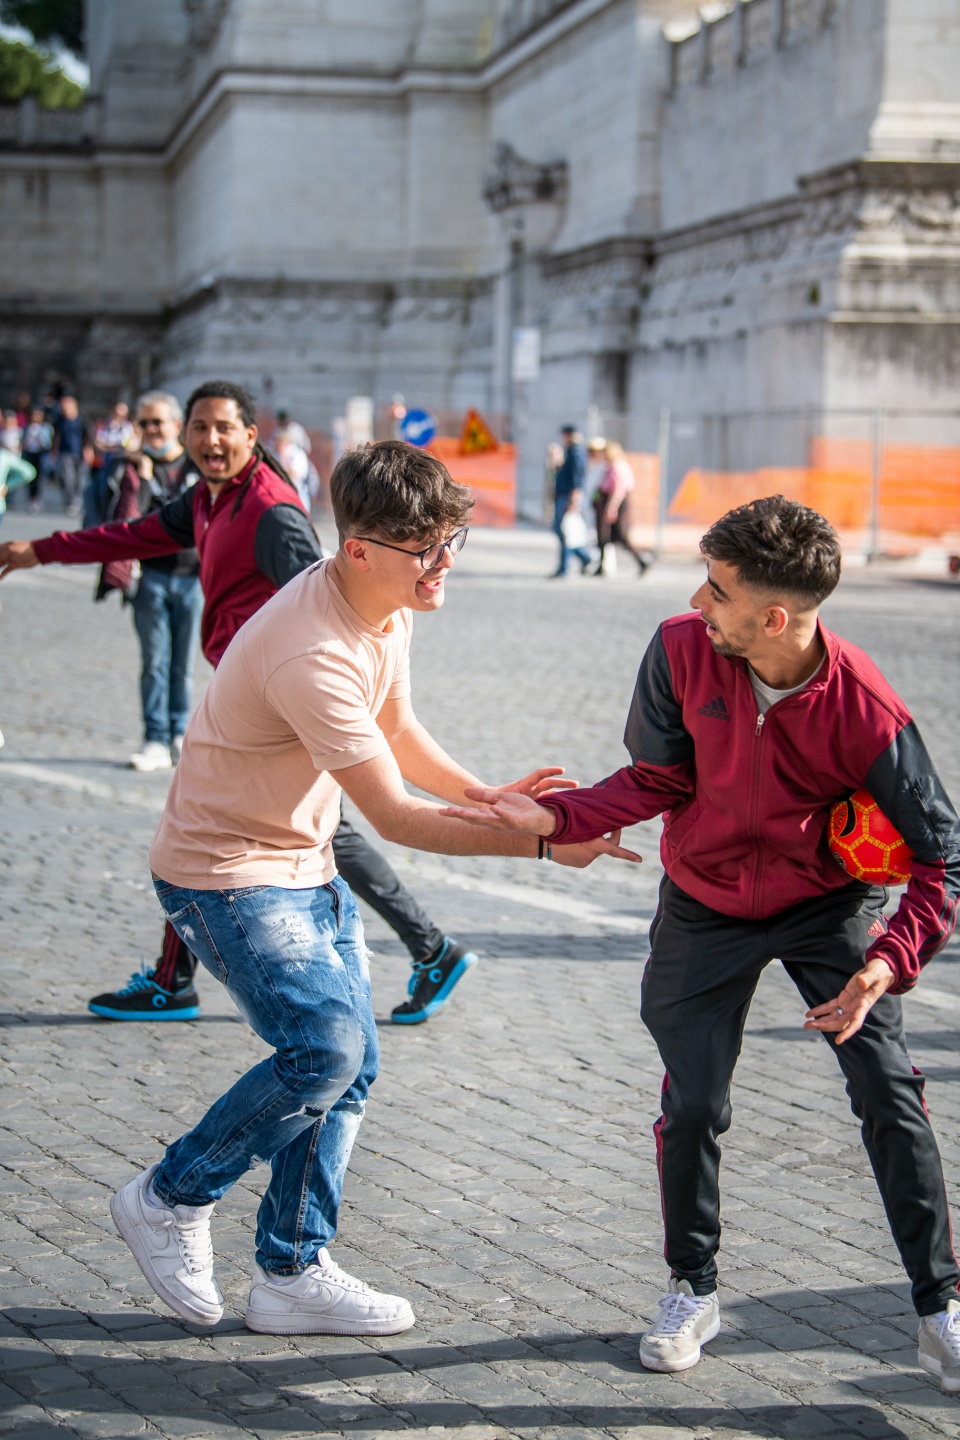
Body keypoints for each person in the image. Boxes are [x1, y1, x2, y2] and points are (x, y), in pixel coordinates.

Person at [102, 438, 636, 1336]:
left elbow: (398, 727)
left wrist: (488, 795)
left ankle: (290, 1272)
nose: (444, 563)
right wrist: (543, 846)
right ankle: (168, 1196)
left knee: (350, 1067)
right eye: (425, 549)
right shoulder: (310, 650)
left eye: (451, 540)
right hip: (225, 876)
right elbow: (392, 816)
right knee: (325, 1052)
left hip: (301, 863)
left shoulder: (386, 602)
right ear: (358, 549)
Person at [441, 495, 960, 1392]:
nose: (696, 601)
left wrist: (887, 961)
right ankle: (692, 1288)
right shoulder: (681, 649)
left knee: (888, 1090)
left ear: (774, 617)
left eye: (717, 590)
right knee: (693, 1105)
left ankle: (940, 1308)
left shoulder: (866, 707)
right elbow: (655, 778)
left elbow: (942, 856)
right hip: (704, 900)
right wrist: (556, 817)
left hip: (826, 904)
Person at [0, 382, 483, 1029]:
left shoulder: (269, 511)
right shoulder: (207, 498)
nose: (210, 440)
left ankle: (425, 947)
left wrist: (309, 687)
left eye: (224, 427)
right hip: (264, 698)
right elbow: (136, 533)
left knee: (257, 829)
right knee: (231, 825)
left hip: (287, 702)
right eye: (198, 427)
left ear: (250, 436)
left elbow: (334, 602)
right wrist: (41, 549)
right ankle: (423, 950)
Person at [90, 391, 205, 773]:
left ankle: (179, 733)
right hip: (150, 576)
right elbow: (120, 520)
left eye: (157, 422)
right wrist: (137, 477)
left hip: (193, 577)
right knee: (154, 662)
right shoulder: (129, 468)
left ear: (177, 425)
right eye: (143, 423)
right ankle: (155, 736)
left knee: (183, 665)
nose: (151, 429)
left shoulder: (199, 465)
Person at [591, 440, 648, 577]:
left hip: (614, 504)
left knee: (620, 535)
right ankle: (601, 565)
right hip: (609, 502)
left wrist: (612, 507)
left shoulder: (617, 466)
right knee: (604, 535)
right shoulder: (611, 466)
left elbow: (618, 490)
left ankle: (642, 560)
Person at [549, 425, 593, 578]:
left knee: (565, 532)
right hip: (563, 496)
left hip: (567, 497)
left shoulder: (576, 454)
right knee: (561, 531)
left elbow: (577, 480)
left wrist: (574, 501)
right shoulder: (569, 453)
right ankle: (584, 558)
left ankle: (566, 567)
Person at [53, 393, 93, 517]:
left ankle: (77, 501)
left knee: (80, 479)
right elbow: (56, 435)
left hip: (79, 451)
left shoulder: (81, 418)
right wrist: (54, 450)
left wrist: (88, 449)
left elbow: (88, 435)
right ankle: (70, 501)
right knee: (68, 478)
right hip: (65, 452)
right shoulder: (60, 419)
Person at [20, 407, 52, 514]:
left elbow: (47, 443)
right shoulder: (26, 427)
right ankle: (31, 499)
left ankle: (37, 499)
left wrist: (39, 436)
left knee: (40, 478)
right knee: (30, 477)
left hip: (41, 455)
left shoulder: (46, 427)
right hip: (29, 454)